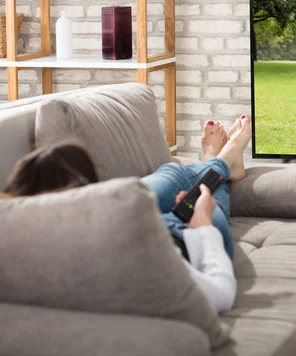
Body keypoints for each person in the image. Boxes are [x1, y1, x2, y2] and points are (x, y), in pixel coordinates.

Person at [1, 115, 252, 313]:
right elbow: (220, 295)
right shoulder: (129, 256)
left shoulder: (13, 236)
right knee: (203, 196)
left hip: (119, 217)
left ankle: (218, 160)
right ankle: (223, 158)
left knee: (172, 174)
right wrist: (202, 224)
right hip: (178, 236)